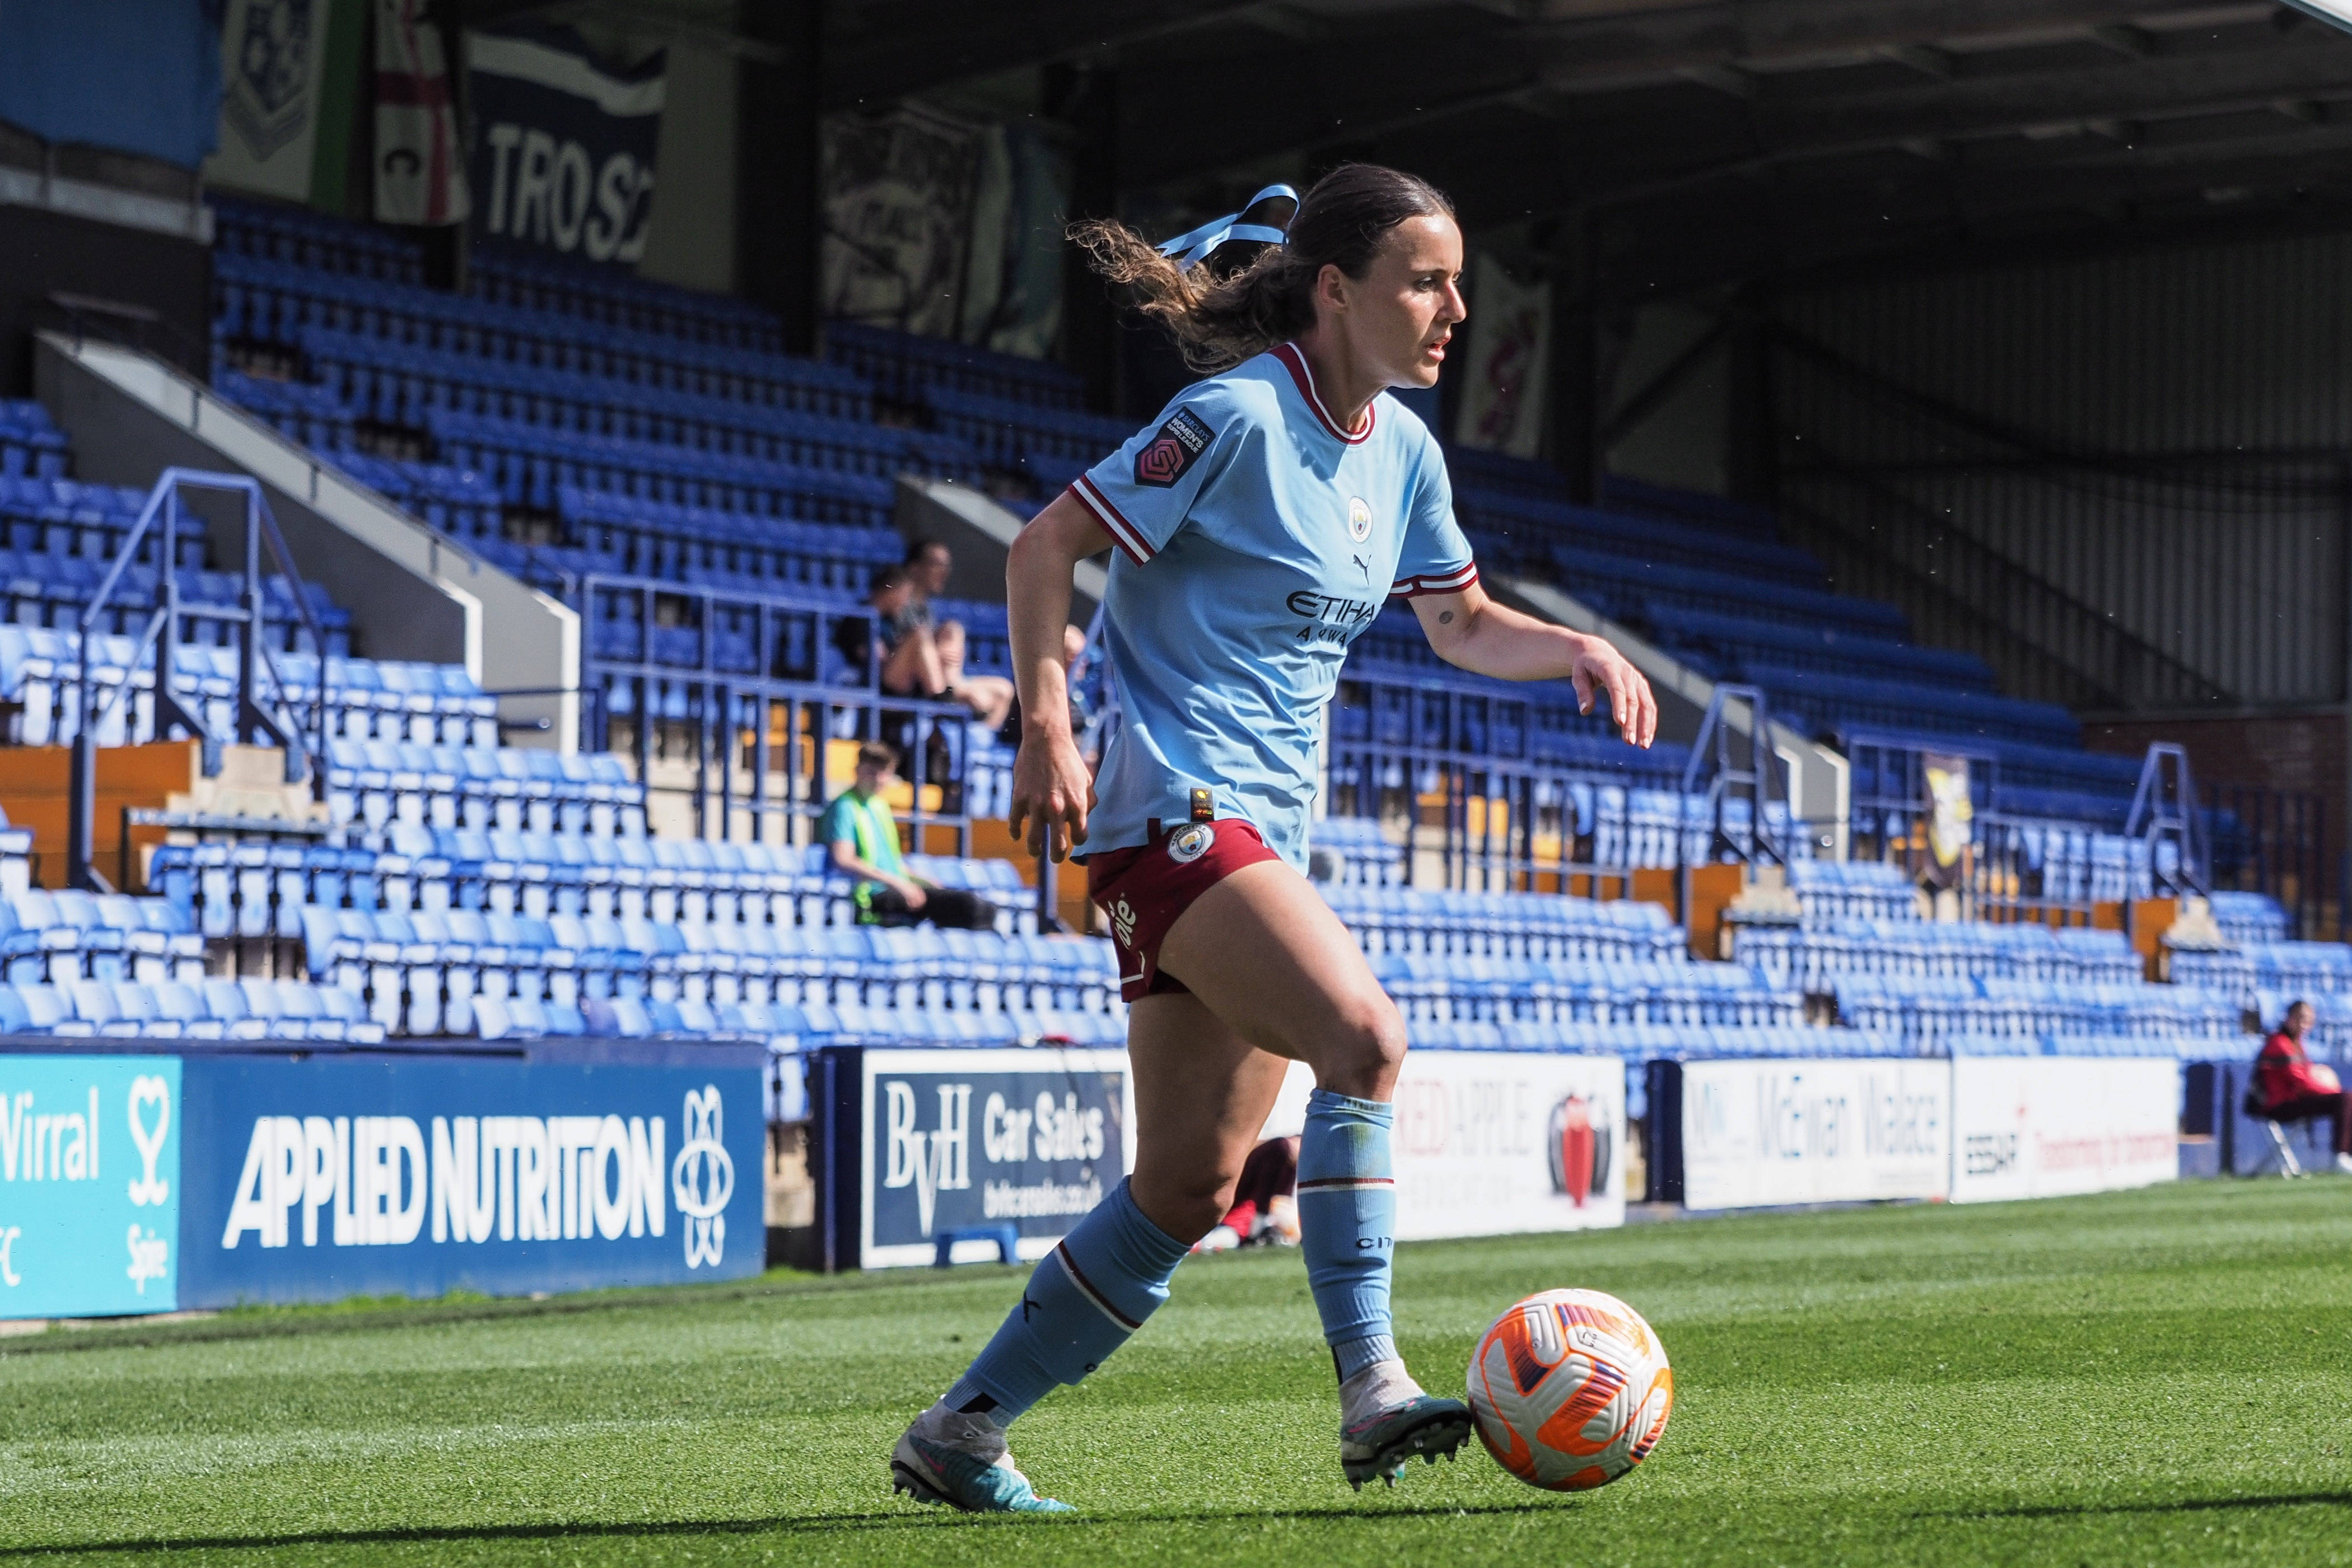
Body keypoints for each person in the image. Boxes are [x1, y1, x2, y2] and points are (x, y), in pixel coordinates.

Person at [888, 163, 1658, 1515]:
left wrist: (1579, 646)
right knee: (1366, 1040)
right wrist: (1048, 727)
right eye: (1426, 281)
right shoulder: (1232, 419)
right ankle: (1370, 1387)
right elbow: (1044, 544)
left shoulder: (1405, 456)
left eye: (1457, 281)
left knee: (1189, 1187)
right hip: (1176, 818)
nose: (1455, 309)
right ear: (1335, 290)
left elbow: (1463, 622)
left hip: (1254, 846)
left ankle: (963, 1429)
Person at [818, 741, 997, 929]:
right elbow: (844, 859)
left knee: (985, 908)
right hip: (873, 896)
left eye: (884, 773)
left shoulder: (879, 807)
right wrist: (897, 883)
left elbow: (892, 862)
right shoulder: (845, 807)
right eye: (872, 772)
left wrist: (920, 881)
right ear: (858, 771)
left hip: (896, 888)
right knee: (969, 908)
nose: (879, 779)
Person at [2255, 999, 2352, 1173]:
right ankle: (2341, 1156)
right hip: (2279, 1106)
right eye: (2300, 1018)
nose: (2304, 1025)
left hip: (2293, 1101)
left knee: (2347, 1100)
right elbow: (2301, 1084)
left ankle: (2347, 1156)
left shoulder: (2296, 1044)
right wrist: (2335, 1092)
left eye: (2308, 1020)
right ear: (2289, 1019)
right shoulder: (2280, 1044)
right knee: (2344, 1099)